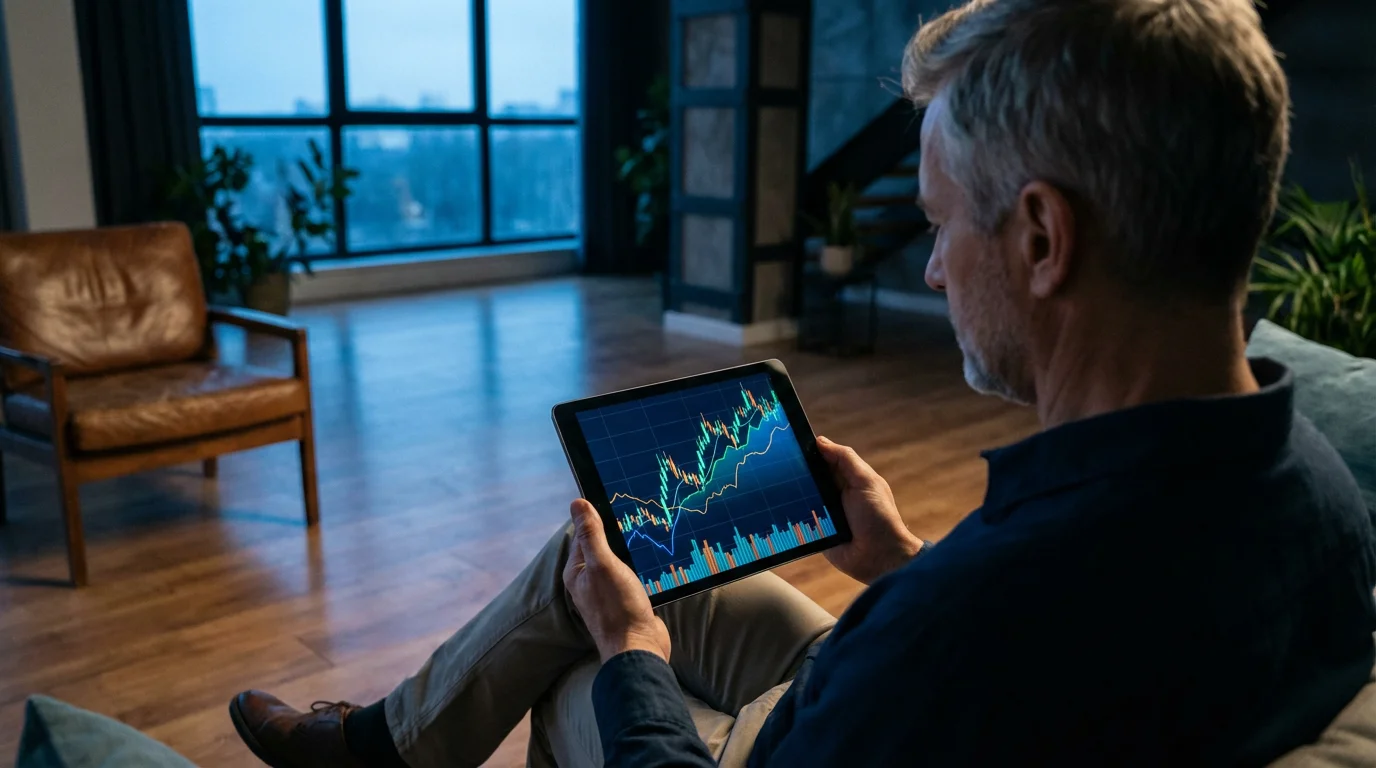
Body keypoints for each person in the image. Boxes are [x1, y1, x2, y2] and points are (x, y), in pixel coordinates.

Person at [229, 0, 1376, 765]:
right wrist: (896, 563)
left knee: (591, 660)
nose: (927, 266)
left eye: (934, 223)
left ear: (1038, 238)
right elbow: (1086, 661)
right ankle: (379, 745)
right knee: (627, 553)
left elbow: (983, 649)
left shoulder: (968, 627)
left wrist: (633, 663)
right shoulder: (1310, 485)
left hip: (875, 719)